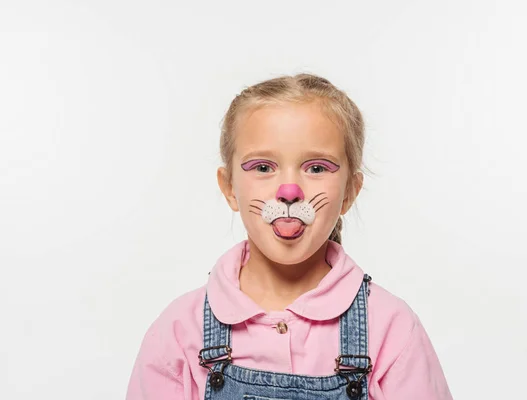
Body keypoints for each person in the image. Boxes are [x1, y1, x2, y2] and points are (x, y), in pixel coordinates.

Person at [126, 73, 453, 399]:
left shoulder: (390, 329)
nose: (289, 192)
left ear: (350, 193)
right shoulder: (182, 331)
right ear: (229, 188)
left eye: (316, 168)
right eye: (263, 167)